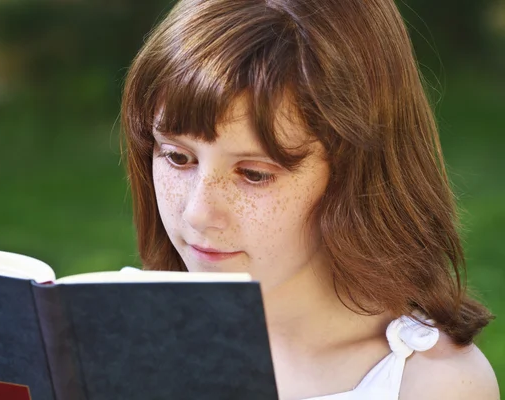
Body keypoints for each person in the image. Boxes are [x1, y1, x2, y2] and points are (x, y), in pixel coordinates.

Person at [120, 0, 500, 398]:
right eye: (178, 158)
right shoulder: (132, 339)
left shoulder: (431, 384)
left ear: (355, 174)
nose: (198, 213)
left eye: (254, 174)